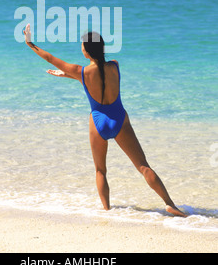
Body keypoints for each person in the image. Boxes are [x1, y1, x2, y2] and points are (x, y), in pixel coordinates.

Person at [23, 24, 187, 217]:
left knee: (101, 170)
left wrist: (30, 43)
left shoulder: (81, 71)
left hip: (99, 122)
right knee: (143, 166)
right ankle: (169, 204)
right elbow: (100, 75)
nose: (81, 48)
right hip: (119, 119)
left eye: (82, 46)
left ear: (86, 50)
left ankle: (107, 210)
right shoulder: (115, 65)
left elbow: (50, 59)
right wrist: (69, 75)